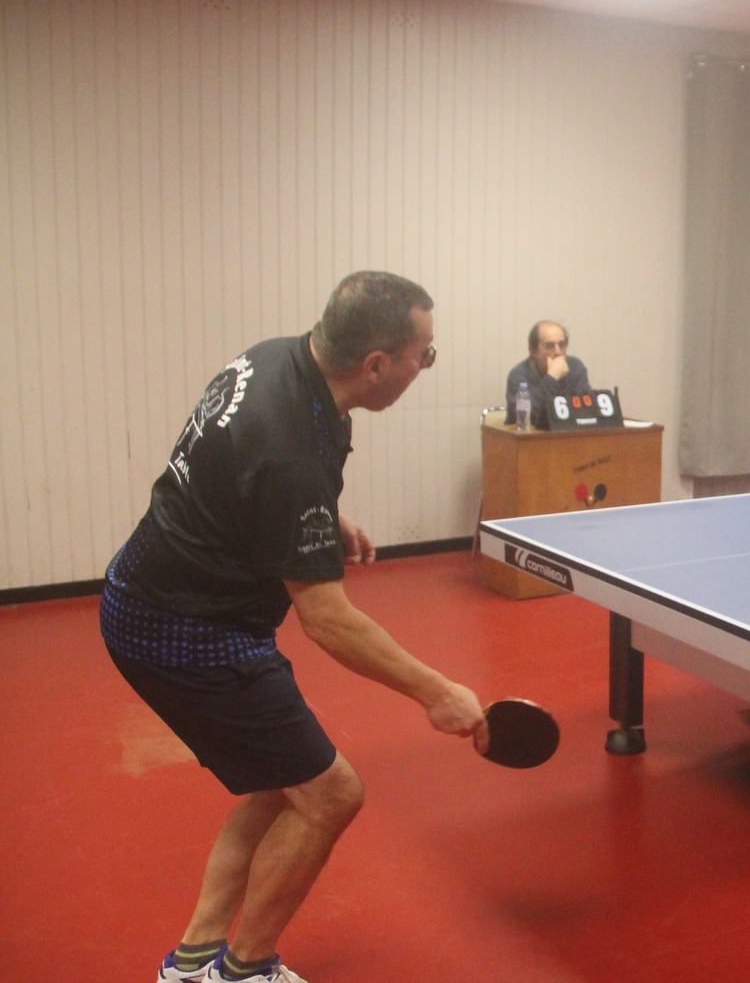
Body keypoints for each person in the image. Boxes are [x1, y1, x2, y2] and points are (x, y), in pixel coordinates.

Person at [101, 271, 487, 983]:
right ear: (377, 365)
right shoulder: (290, 453)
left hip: (154, 593)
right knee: (331, 793)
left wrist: (319, 517)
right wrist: (437, 692)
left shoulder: (281, 359)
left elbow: (242, 466)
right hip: (185, 632)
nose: (426, 366)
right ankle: (245, 970)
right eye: (424, 355)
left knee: (287, 780)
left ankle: (192, 963)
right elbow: (328, 620)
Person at [504, 319, 591, 426]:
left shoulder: (575, 367)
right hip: (531, 435)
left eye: (562, 345)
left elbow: (586, 410)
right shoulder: (518, 375)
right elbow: (526, 417)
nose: (558, 352)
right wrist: (552, 377)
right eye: (549, 346)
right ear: (533, 351)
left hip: (567, 433)